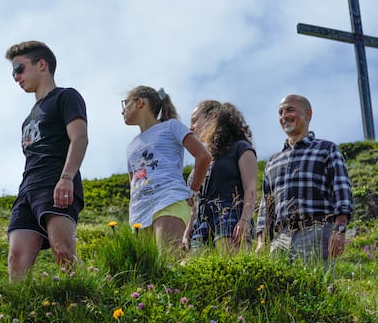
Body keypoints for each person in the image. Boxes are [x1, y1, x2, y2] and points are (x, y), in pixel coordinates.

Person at [5, 40, 88, 281]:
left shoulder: (66, 97)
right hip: (27, 189)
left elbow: (80, 138)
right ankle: (19, 315)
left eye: (19, 69)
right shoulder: (27, 119)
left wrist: (66, 178)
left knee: (63, 251)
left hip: (55, 181)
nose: (16, 77)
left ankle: (81, 304)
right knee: (16, 261)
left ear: (42, 64)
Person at [255, 94, 353, 265]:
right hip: (280, 240)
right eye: (280, 112)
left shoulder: (326, 149)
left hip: (315, 232)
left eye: (290, 110)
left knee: (314, 289)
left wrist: (339, 230)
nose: (284, 116)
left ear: (308, 115)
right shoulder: (272, 161)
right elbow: (267, 206)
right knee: (279, 290)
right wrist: (262, 241)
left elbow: (342, 193)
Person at [122, 86, 211, 251]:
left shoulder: (171, 127)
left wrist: (192, 191)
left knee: (170, 264)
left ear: (139, 102)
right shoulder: (130, 147)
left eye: (125, 104)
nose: (122, 111)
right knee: (149, 275)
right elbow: (133, 184)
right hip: (139, 215)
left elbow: (203, 156)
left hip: (169, 200)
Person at [182, 102, 257, 254]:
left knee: (232, 269)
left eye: (195, 120)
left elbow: (251, 189)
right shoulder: (200, 163)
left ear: (212, 117)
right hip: (201, 224)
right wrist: (187, 231)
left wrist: (245, 220)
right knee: (196, 272)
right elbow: (195, 203)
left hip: (230, 216)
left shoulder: (240, 148)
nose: (191, 127)